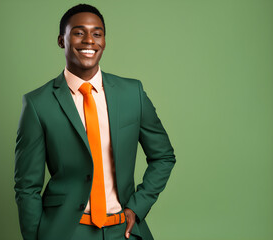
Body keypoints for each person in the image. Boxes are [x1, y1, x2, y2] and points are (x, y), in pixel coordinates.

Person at [14, 4, 176, 240]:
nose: (89, 40)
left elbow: (163, 156)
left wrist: (137, 207)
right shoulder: (38, 104)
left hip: (124, 230)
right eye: (79, 33)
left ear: (104, 41)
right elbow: (26, 187)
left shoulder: (133, 93)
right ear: (62, 40)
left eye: (97, 33)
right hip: (68, 232)